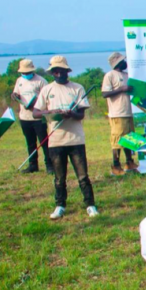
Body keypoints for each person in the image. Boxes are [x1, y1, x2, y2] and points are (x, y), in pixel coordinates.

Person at [33, 56, 99, 220]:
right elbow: (36, 112)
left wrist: (71, 113)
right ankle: (60, 205)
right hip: (56, 140)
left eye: (61, 70)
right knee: (59, 177)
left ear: (66, 71)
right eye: (55, 71)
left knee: (83, 176)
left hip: (75, 139)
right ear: (52, 73)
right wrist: (49, 112)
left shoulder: (77, 88)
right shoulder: (47, 90)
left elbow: (81, 114)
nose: (58, 73)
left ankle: (90, 204)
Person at [12, 59, 53, 174]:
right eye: (23, 73)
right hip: (24, 117)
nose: (25, 75)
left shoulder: (41, 81)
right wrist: (15, 95)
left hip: (39, 117)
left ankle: (49, 165)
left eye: (27, 72)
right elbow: (17, 92)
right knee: (30, 142)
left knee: (44, 142)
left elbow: (46, 98)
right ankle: (33, 164)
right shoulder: (19, 80)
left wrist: (35, 105)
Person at [101, 52, 137, 175]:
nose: (125, 62)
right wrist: (122, 89)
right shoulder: (110, 75)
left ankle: (129, 162)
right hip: (117, 113)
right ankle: (116, 166)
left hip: (128, 112)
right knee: (117, 140)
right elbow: (105, 93)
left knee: (129, 139)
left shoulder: (127, 75)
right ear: (118, 63)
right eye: (123, 61)